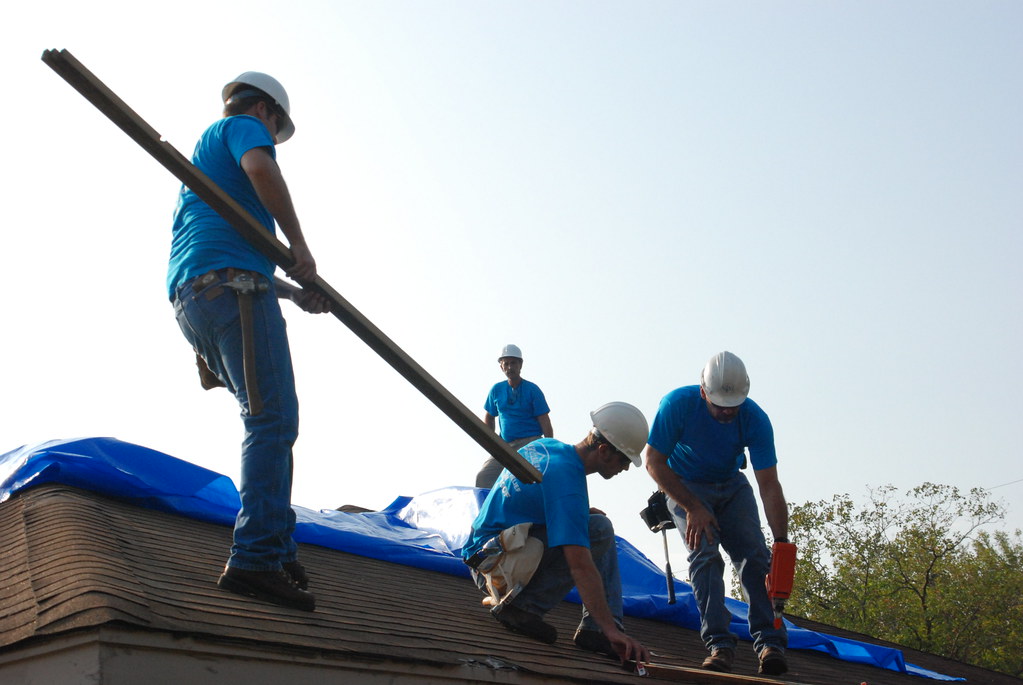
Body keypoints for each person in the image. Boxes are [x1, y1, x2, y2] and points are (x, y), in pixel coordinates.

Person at [168, 71, 330, 612]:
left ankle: (277, 546)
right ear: (264, 110)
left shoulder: (199, 172)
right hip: (233, 288)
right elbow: (262, 167)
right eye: (275, 126)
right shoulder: (240, 126)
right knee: (274, 420)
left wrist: (290, 292)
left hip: (202, 296)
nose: (271, 136)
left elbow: (229, 247)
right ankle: (256, 556)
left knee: (268, 415)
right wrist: (300, 247)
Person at [463, 402, 651, 666]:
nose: (626, 468)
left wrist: (579, 513)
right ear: (605, 450)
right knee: (596, 532)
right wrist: (611, 629)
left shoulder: (548, 448)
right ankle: (523, 608)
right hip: (493, 568)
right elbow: (581, 567)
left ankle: (594, 632)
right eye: (624, 460)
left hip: (485, 553)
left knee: (593, 523)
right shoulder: (568, 483)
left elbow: (535, 500)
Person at [643, 351, 789, 676]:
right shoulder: (677, 405)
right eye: (719, 404)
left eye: (732, 405)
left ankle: (770, 645)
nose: (726, 411)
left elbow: (769, 484)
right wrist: (693, 507)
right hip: (684, 485)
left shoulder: (755, 419)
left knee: (756, 557)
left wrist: (782, 543)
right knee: (705, 554)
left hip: (731, 486)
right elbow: (653, 460)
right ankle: (720, 644)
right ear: (703, 391)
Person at [475, 344, 554, 488]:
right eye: (506, 363)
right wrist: (490, 440)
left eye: (513, 363)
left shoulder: (532, 390)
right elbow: (489, 416)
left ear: (520, 365)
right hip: (505, 445)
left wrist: (549, 447)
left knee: (536, 478)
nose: (510, 367)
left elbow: (545, 421)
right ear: (501, 367)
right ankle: (487, 510)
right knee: (484, 477)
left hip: (530, 442)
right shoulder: (496, 390)